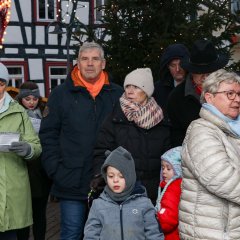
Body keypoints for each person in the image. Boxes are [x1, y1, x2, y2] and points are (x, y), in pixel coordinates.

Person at [39, 42, 123, 240]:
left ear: (103, 63)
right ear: (77, 63)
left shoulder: (117, 94)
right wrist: (56, 170)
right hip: (70, 182)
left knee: (106, 235)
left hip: (108, 182)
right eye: (85, 59)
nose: (90, 64)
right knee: (71, 234)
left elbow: (126, 135)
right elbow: (48, 135)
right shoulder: (60, 94)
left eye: (95, 59)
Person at [92, 68, 170, 203]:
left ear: (146, 91)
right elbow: (101, 150)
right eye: (127, 86)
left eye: (136, 87)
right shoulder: (115, 117)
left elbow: (168, 156)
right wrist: (100, 175)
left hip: (154, 193)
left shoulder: (160, 119)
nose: (130, 91)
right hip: (122, 191)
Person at [179, 69, 240, 239]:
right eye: (230, 94)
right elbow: (221, 177)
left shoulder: (233, 130)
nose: (237, 99)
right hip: (210, 232)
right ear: (209, 98)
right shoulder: (201, 130)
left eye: (238, 93)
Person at [84, 146, 164, 240]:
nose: (115, 180)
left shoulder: (144, 204)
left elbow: (154, 234)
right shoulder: (98, 205)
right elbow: (90, 236)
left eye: (121, 176)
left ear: (130, 176)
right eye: (110, 176)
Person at [0, 63, 41, 239]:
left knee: (10, 235)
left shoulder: (19, 112)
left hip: (12, 189)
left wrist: (28, 149)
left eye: (0, 83)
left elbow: (36, 145)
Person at [167, 39, 229, 147]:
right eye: (199, 72)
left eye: (210, 71)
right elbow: (176, 136)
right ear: (191, 71)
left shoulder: (232, 91)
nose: (205, 77)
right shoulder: (176, 97)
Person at [15, 81, 51, 240]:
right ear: (20, 99)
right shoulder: (15, 114)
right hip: (21, 169)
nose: (31, 102)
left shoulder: (46, 113)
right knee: (22, 213)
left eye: (34, 99)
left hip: (41, 171)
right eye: (27, 99)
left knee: (39, 212)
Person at [155, 146, 182, 240]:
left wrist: (156, 222)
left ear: (178, 169)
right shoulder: (170, 186)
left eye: (168, 168)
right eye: (163, 168)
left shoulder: (174, 188)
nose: (164, 172)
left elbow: (169, 217)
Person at [153, 43, 189, 112]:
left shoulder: (195, 86)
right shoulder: (157, 89)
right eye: (173, 65)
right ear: (168, 67)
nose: (178, 69)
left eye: (181, 64)